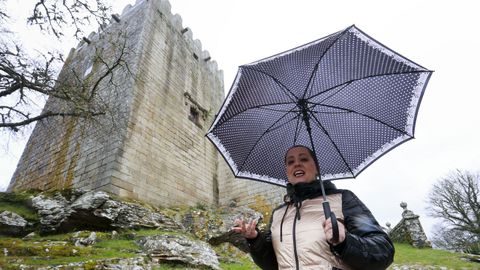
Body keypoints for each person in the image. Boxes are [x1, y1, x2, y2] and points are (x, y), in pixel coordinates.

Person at [233, 145, 394, 270]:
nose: (296, 164)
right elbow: (272, 265)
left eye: (303, 159)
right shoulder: (278, 214)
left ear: (316, 167)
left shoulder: (343, 199)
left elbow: (383, 251)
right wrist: (255, 241)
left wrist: (345, 243)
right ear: (287, 172)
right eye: (290, 161)